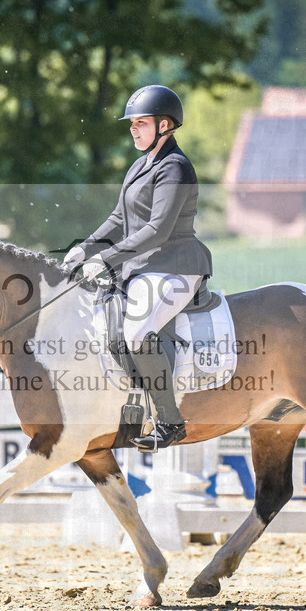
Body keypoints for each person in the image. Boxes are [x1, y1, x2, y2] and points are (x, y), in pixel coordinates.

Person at [63, 85, 213, 451]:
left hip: (176, 266)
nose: (133, 130)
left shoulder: (175, 167)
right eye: (132, 123)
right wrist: (85, 248)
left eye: (141, 123)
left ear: (165, 125)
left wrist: (106, 259)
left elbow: (157, 230)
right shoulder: (141, 164)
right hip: (145, 267)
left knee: (136, 333)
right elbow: (119, 218)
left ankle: (170, 421)